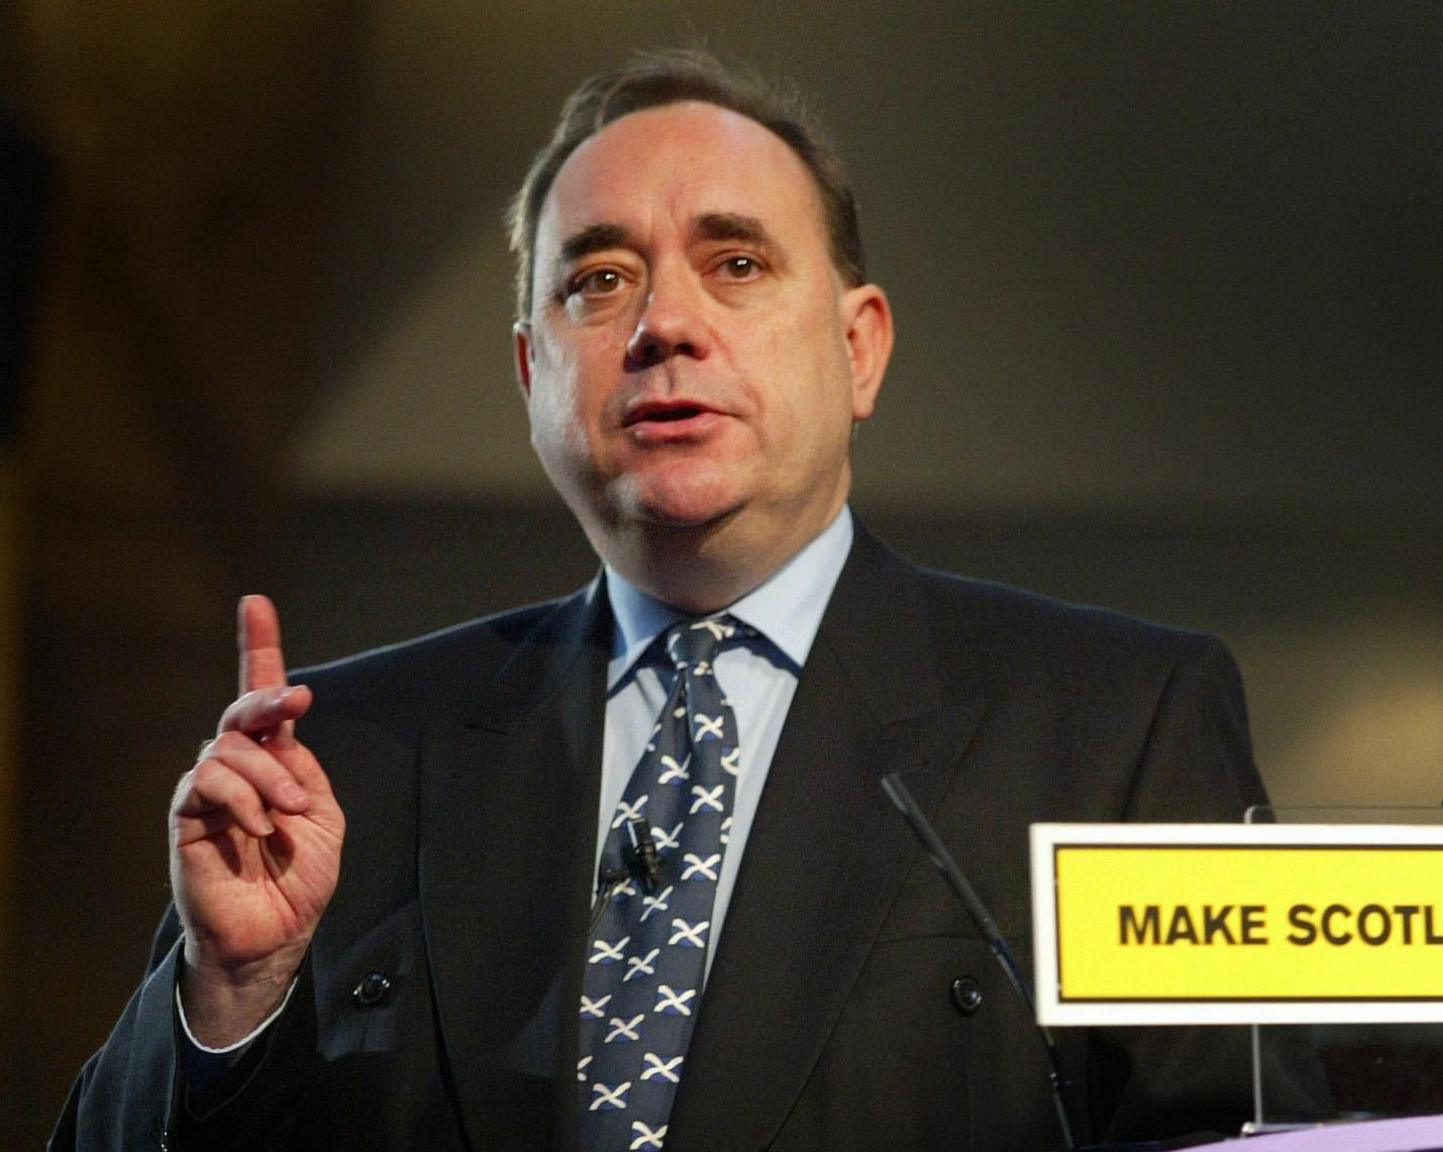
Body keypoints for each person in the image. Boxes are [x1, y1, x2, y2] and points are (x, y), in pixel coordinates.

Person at [52, 49, 1298, 1150]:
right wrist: (232, 1001)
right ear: (533, 372)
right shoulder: (344, 758)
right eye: (596, 281)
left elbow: (1235, 1135)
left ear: (857, 348)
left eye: (737, 262)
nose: (661, 326)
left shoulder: (1113, 725)